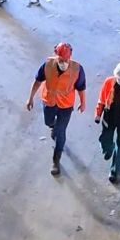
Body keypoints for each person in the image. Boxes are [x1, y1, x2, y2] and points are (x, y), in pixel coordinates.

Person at [26, 41, 86, 176]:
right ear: (56, 54)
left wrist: (83, 103)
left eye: (66, 59)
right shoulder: (48, 65)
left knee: (61, 131)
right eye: (61, 59)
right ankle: (53, 127)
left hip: (66, 106)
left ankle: (56, 160)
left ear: (70, 57)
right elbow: (37, 81)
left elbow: (81, 88)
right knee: (48, 122)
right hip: (49, 102)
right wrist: (30, 98)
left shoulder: (77, 69)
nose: (63, 62)